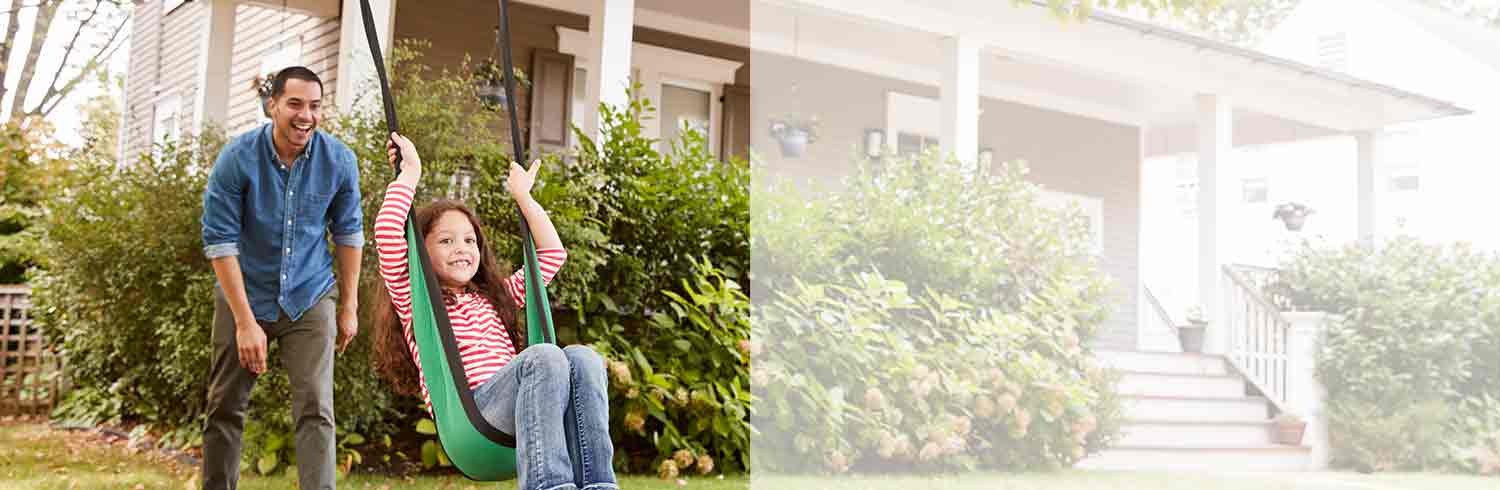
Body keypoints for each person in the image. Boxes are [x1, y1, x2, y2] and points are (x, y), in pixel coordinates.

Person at [371, 133, 615, 490]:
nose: (462, 249)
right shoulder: (418, 301)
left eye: (469, 240)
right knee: (544, 357)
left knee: (583, 357)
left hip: (525, 404)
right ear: (420, 253)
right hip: (473, 418)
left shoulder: (495, 296)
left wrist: (524, 197)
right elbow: (388, 235)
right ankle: (551, 486)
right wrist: (409, 175)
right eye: (446, 240)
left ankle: (598, 484)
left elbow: (551, 256)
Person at [200, 66, 363, 490]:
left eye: (314, 105)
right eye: (295, 104)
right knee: (224, 406)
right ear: (272, 105)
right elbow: (220, 242)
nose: (305, 115)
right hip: (245, 293)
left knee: (315, 407)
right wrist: (244, 322)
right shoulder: (237, 159)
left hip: (309, 296)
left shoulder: (339, 160)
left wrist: (349, 307)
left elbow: (347, 235)